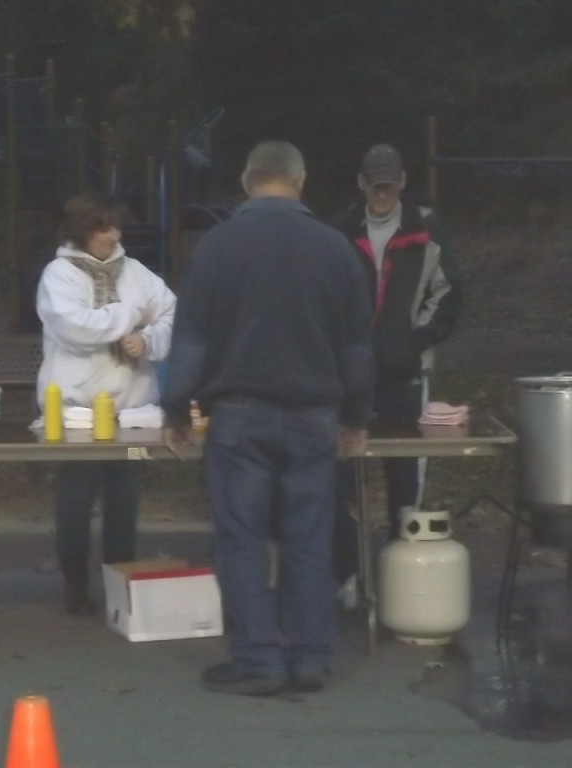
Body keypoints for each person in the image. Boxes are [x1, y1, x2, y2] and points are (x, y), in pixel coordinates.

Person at [162, 141, 373, 696]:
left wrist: (175, 407)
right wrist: (356, 413)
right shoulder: (335, 248)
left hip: (238, 416)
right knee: (310, 537)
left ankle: (258, 659)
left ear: (246, 181)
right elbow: (356, 344)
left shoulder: (217, 247)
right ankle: (309, 657)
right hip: (314, 417)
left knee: (242, 539)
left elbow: (191, 340)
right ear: (300, 183)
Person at [330, 144, 463, 598]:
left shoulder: (426, 229)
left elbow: (448, 296)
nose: (382, 192)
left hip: (407, 378)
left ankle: (399, 579)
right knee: (343, 475)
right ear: (361, 183)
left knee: (405, 478)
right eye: (374, 184)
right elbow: (328, 300)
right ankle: (347, 575)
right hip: (351, 379)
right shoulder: (341, 233)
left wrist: (413, 341)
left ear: (403, 181)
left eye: (389, 184)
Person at [36, 191, 176, 615]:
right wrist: (131, 317)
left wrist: (148, 339)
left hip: (131, 410)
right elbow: (75, 327)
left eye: (115, 226)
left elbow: (170, 310)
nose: (112, 235)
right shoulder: (58, 275)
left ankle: (120, 580)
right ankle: (75, 584)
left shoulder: (134, 271)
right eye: (102, 228)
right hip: (77, 411)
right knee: (77, 495)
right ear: (81, 231)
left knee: (124, 496)